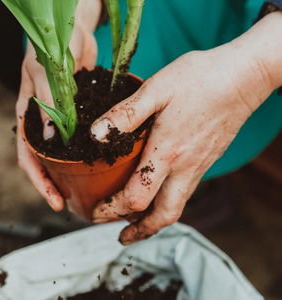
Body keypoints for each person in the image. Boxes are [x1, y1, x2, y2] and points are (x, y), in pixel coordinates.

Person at [16, 0, 282, 245]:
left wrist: (254, 69)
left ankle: (197, 190)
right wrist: (73, 11)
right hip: (111, 28)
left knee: (185, 148)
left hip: (249, 34)